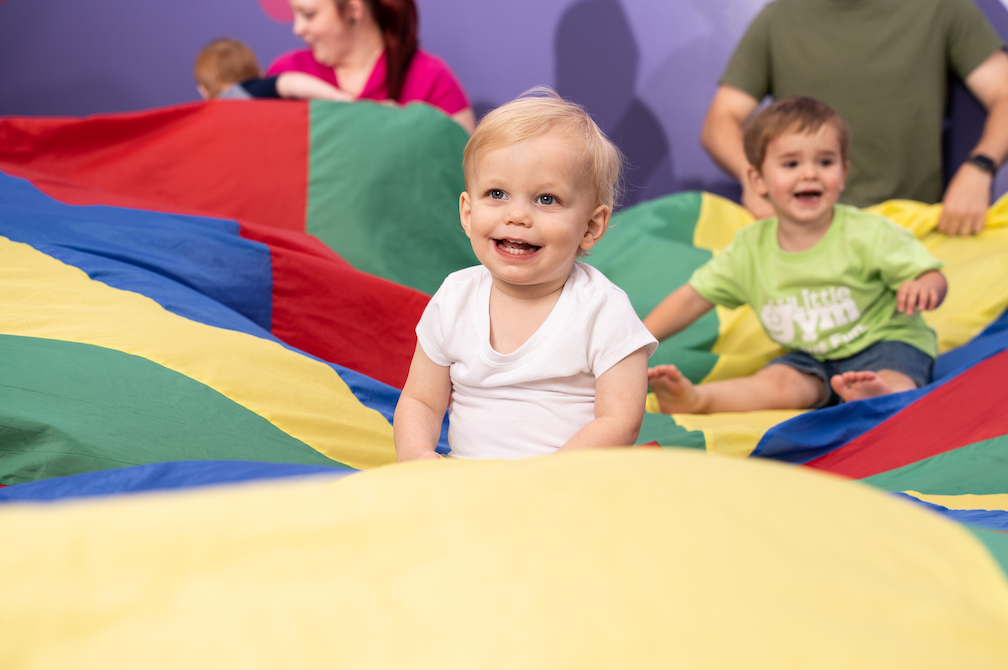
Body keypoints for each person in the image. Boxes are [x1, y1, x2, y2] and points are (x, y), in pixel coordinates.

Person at [394, 89, 658, 461]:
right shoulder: (455, 297)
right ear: (468, 214)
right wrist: (416, 455)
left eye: (546, 199)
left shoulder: (602, 309)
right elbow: (421, 399)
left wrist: (544, 479)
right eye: (497, 193)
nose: (517, 215)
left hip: (562, 486)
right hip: (468, 484)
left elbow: (620, 420)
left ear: (591, 226)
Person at [646, 98, 948, 415]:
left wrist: (925, 285)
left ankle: (882, 396)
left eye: (825, 162)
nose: (809, 174)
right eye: (791, 164)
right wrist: (638, 341)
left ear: (843, 173)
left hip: (885, 342)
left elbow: (932, 275)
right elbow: (692, 298)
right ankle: (700, 399)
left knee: (895, 371)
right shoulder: (750, 249)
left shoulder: (868, 233)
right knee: (778, 382)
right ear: (757, 180)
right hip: (809, 357)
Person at [701, 0, 1008, 236]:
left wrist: (979, 168)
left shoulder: (941, 6)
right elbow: (721, 118)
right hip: (803, 235)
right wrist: (751, 180)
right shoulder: (779, 17)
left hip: (908, 233)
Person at [268, 0, 475, 131]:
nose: (297, 29)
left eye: (308, 14)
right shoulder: (286, 71)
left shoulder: (430, 77)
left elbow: (464, 171)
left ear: (353, 9)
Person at [194, 38, 353, 102]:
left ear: (203, 92)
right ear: (260, 75)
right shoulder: (244, 91)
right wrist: (339, 97)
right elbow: (288, 82)